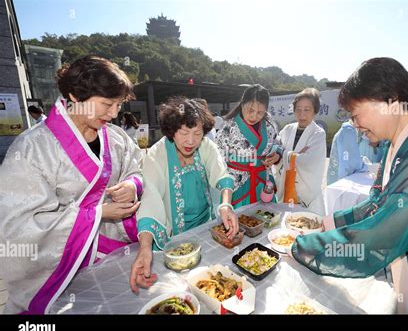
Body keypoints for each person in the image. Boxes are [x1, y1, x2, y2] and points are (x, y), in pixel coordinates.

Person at [292, 57, 408, 314]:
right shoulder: (396, 142)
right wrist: (330, 223)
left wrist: (302, 247)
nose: (354, 124)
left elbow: (378, 238)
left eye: (356, 114)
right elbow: (380, 203)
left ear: (392, 100)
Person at [0, 56, 143, 314]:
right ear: (75, 96)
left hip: (114, 250)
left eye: (118, 105)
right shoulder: (32, 147)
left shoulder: (116, 137)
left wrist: (132, 185)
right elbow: (19, 225)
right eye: (107, 104)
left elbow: (136, 166)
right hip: (60, 267)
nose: (114, 114)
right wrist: (98, 213)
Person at [130, 97, 238, 293]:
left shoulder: (205, 146)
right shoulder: (157, 155)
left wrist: (225, 205)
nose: (191, 141)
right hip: (175, 238)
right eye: (184, 132)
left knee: (212, 284)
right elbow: (150, 199)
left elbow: (221, 175)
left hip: (206, 229)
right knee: (181, 291)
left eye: (197, 133)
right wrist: (145, 246)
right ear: (172, 131)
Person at [215, 84, 282, 208]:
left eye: (260, 112)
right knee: (238, 222)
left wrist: (277, 155)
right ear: (242, 104)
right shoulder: (229, 126)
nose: (254, 116)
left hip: (262, 181)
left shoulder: (269, 125)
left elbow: (277, 143)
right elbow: (217, 157)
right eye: (250, 110)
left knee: (265, 219)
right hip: (237, 184)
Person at [273, 88, 326, 215]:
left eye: (307, 110)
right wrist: (294, 155)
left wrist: (285, 153)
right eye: (298, 109)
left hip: (306, 194)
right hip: (286, 187)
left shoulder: (318, 133)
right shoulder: (287, 129)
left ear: (315, 111)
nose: (302, 114)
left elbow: (309, 162)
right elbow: (275, 148)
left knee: (305, 224)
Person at [327, 120, 368, 185]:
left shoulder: (349, 130)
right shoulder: (348, 131)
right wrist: (365, 166)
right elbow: (352, 161)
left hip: (337, 176)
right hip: (340, 179)